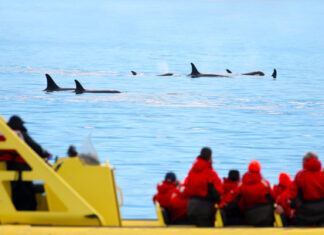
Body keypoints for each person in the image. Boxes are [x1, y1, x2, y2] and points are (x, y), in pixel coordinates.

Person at [2, 115, 51, 210]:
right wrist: (47, 155)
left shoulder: (5, 135)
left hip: (10, 168)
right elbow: (36, 148)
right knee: (26, 193)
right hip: (22, 169)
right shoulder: (20, 135)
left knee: (17, 192)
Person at [275, 152, 324, 226]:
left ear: (305, 160)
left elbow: (290, 193)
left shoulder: (301, 175)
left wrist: (281, 204)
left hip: (306, 213)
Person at [181, 147, 223, 227]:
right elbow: (215, 192)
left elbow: (187, 188)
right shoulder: (210, 173)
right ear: (210, 158)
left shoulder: (191, 171)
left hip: (190, 208)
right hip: (204, 209)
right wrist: (219, 203)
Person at [238, 160, 274, 226]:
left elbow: (239, 201)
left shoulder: (241, 184)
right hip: (265, 215)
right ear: (259, 168)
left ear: (248, 168)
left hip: (248, 215)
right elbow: (272, 198)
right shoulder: (265, 184)